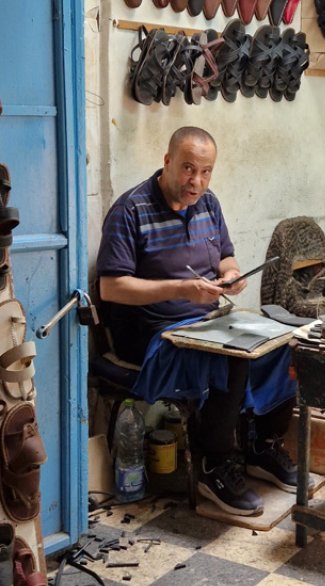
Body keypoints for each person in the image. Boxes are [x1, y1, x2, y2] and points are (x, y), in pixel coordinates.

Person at [96, 126, 297, 517]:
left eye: (206, 172)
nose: (197, 181)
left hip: (207, 320)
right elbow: (111, 287)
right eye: (188, 168)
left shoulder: (208, 204)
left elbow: (226, 257)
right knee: (234, 357)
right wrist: (180, 289)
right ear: (167, 161)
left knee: (283, 344)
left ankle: (261, 446)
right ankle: (213, 465)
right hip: (152, 333)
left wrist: (232, 275)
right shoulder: (130, 210)